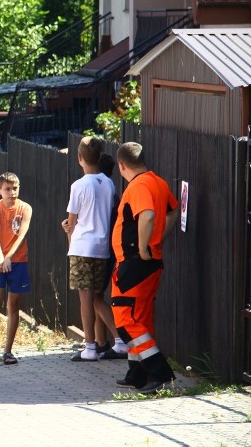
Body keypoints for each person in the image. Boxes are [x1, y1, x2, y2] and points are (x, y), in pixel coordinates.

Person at [111, 142, 180, 393]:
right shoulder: (157, 182)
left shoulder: (138, 185)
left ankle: (160, 373)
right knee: (139, 318)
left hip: (135, 262)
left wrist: (142, 247)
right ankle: (137, 374)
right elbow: (173, 211)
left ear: (121, 166)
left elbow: (148, 215)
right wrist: (158, 238)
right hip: (147, 263)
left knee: (125, 319)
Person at [62, 137, 127, 361]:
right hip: (102, 247)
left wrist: (68, 229)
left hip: (82, 246)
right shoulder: (108, 184)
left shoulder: (78, 185)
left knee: (85, 300)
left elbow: (71, 221)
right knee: (98, 297)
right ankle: (120, 341)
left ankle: (90, 348)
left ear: (80, 158)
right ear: (99, 158)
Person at [0, 172, 32, 367]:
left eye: (15, 188)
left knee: (13, 305)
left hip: (18, 261)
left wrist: (9, 257)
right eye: (7, 189)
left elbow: (22, 234)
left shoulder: (25, 208)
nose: (12, 192)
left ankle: (8, 350)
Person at [94, 152, 128, 359]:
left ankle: (120, 339)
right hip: (111, 250)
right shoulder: (111, 190)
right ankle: (101, 341)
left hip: (103, 249)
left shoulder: (102, 191)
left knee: (94, 297)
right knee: (97, 295)